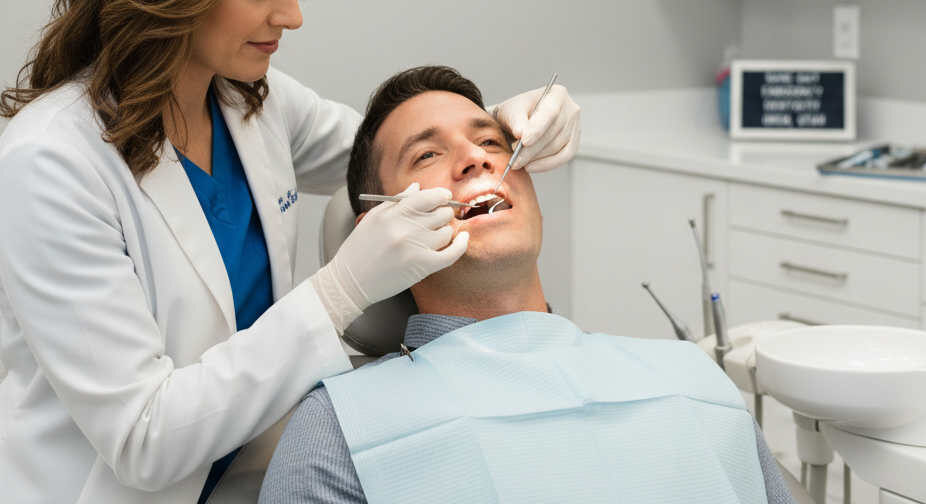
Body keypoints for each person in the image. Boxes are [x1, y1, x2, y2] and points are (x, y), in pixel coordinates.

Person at [0, 0, 581, 504]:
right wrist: (339, 293)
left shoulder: (254, 104)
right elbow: (143, 439)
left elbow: (388, 148)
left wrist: (508, 123)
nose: (292, 14)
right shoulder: (49, 163)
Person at [259, 66, 795, 504]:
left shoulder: (691, 377)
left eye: (491, 140)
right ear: (376, 232)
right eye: (426, 155)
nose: (476, 159)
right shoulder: (339, 431)